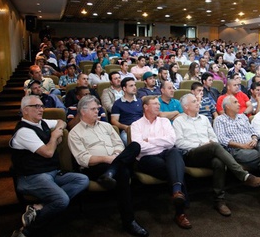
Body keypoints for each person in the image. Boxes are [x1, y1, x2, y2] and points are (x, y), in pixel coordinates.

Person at [173, 94, 260, 216]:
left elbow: (214, 138)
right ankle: (244, 176)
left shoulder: (204, 119)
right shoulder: (178, 121)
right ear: (186, 106)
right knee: (213, 146)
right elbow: (179, 143)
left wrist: (209, 145)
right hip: (190, 155)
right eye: (194, 101)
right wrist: (202, 144)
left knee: (218, 162)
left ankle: (219, 200)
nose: (198, 103)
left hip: (209, 153)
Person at [68, 95, 149, 236]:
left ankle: (110, 173)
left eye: (98, 109)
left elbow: (119, 145)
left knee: (135, 146)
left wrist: (115, 157)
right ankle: (129, 222)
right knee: (123, 171)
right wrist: (108, 159)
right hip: (94, 167)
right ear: (83, 111)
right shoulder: (75, 133)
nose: (97, 112)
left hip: (113, 162)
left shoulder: (107, 126)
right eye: (93, 109)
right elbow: (83, 159)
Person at [10, 95, 89, 237]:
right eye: (37, 106)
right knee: (61, 200)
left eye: (42, 106)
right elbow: (47, 153)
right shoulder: (24, 131)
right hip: (32, 176)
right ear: (25, 110)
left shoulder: (41, 123)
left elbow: (61, 121)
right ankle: (26, 231)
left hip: (51, 173)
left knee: (82, 180)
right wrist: (54, 138)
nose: (41, 109)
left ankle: (39, 207)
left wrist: (58, 130)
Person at [214, 95, 260, 210]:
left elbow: (253, 131)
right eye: (235, 102)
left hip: (253, 144)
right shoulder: (220, 120)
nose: (239, 104)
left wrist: (254, 139)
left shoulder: (242, 117)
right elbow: (222, 139)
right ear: (227, 106)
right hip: (237, 150)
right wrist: (242, 145)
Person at [130, 96, 191, 229]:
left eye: (159, 104)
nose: (158, 106)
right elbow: (139, 148)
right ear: (145, 107)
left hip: (166, 154)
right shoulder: (136, 125)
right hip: (147, 158)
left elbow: (171, 142)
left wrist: (149, 140)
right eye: (155, 104)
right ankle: (180, 209)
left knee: (175, 152)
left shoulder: (164, 122)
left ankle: (176, 193)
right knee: (174, 169)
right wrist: (159, 141)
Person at [111, 77, 143, 146]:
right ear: (124, 88)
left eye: (135, 85)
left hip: (142, 128)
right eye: (131, 86)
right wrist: (126, 127)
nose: (134, 87)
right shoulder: (117, 103)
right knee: (126, 139)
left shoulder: (140, 101)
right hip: (127, 130)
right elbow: (114, 121)